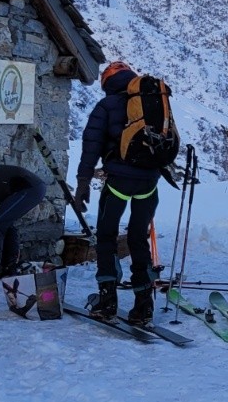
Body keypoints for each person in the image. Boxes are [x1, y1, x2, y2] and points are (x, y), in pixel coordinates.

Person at [74, 61, 166, 325]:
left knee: (106, 237)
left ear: (107, 84)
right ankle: (144, 305)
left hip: (118, 184)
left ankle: (107, 301)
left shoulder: (106, 106)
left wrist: (83, 183)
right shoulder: (152, 103)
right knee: (138, 239)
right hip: (149, 182)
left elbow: (91, 146)